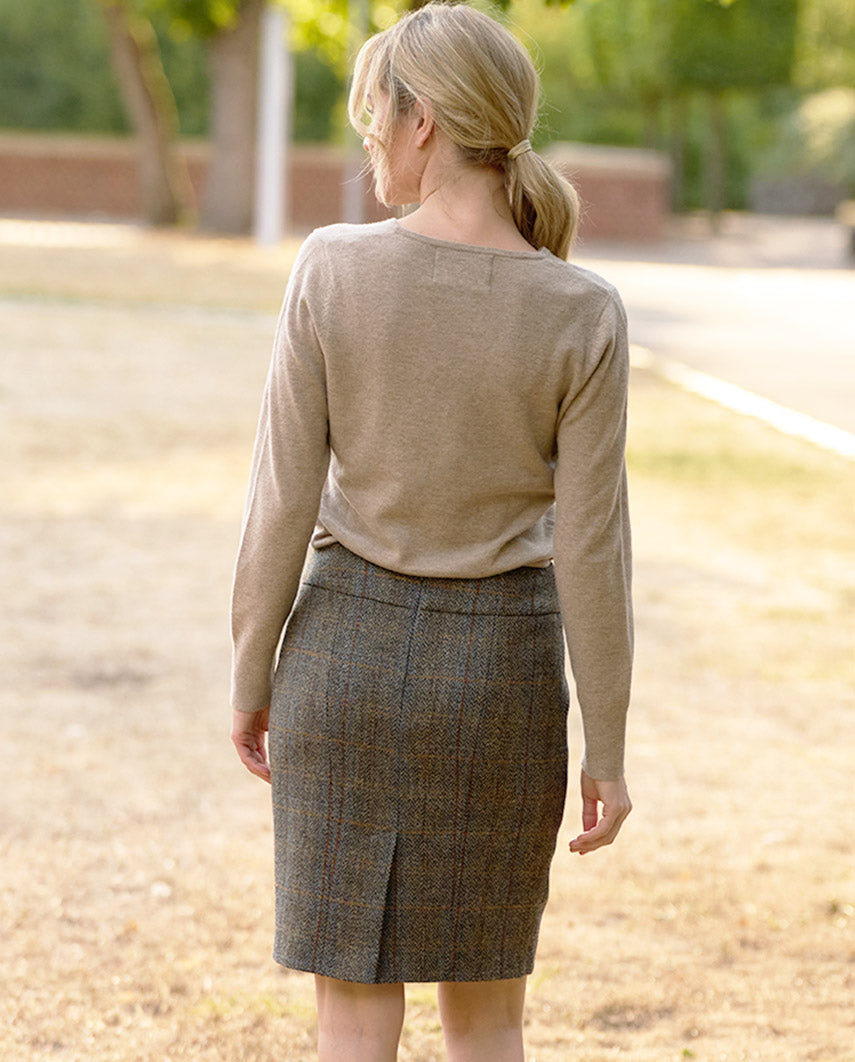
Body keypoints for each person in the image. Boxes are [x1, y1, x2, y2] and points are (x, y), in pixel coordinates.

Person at [230, 3, 632, 1059]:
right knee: (489, 1016)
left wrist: (248, 672)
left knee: (353, 1011)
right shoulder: (583, 311)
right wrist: (610, 745)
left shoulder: (331, 269)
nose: (367, 134)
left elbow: (280, 497)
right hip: (500, 681)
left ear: (426, 125)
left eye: (375, 111)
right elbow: (593, 549)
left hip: (343, 671)